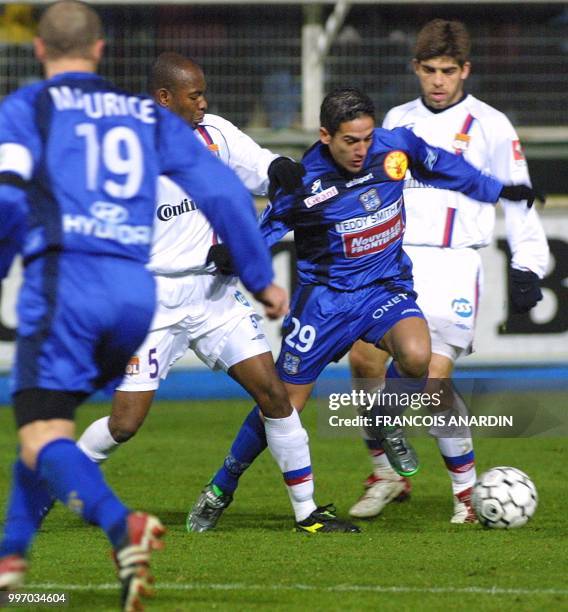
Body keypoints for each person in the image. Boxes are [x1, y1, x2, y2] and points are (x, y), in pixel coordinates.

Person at [0, 4, 287, 610]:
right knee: (76, 425)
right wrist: (261, 276)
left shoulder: (28, 111)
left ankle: (17, 559)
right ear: (101, 51)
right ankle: (98, 535)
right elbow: (220, 190)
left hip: (73, 286)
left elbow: (7, 199)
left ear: (39, 53)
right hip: (138, 295)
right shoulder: (143, 119)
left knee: (41, 424)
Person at [188, 86, 540, 531]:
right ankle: (222, 486)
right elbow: (267, 228)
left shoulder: (393, 148)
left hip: (384, 286)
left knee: (417, 357)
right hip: (326, 303)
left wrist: (498, 189)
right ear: (325, 136)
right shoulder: (305, 182)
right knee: (281, 405)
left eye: (367, 138)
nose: (361, 150)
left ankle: (381, 419)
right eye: (350, 141)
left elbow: (443, 166)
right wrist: (236, 254)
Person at [75, 52, 358, 535]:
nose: (204, 103)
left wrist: (289, 171)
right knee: (125, 424)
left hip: (214, 297)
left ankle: (308, 514)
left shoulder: (216, 135)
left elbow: (266, 166)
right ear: (164, 99)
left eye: (204, 93)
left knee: (274, 394)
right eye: (194, 95)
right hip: (154, 303)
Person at [347, 19, 549, 524]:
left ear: (465, 71)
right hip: (394, 261)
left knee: (432, 380)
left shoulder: (492, 125)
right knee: (363, 361)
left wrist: (528, 266)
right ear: (416, 68)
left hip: (454, 262)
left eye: (448, 71)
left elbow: (519, 196)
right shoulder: (397, 119)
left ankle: (465, 494)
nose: (438, 81)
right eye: (430, 70)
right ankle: (387, 473)